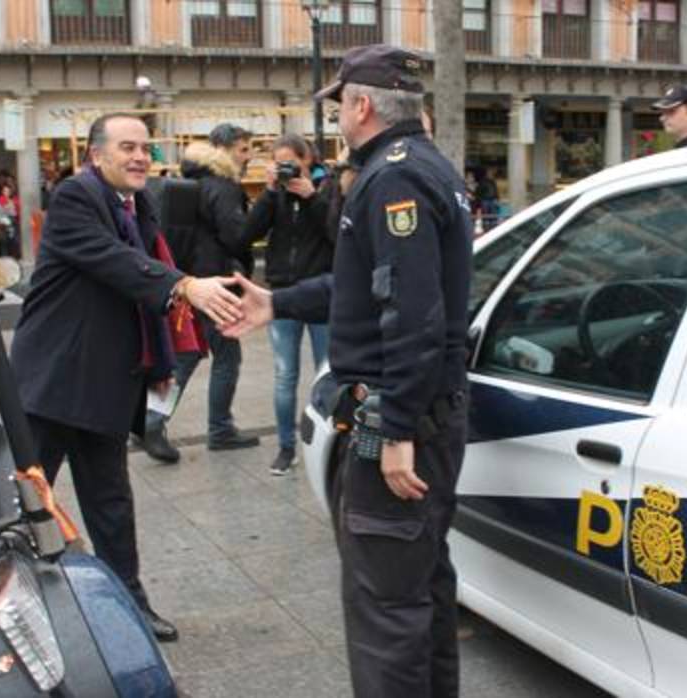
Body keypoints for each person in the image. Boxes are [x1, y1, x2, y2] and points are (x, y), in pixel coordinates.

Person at [227, 45, 472, 697]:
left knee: (386, 613)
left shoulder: (393, 177)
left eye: (339, 104)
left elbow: (414, 314)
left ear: (361, 105)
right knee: (420, 593)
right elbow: (364, 285)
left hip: (399, 421)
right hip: (420, 413)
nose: (336, 116)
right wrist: (277, 301)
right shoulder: (424, 167)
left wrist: (395, 430)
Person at [10, 112, 246, 643]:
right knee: (27, 504)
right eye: (127, 148)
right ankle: (11, 613)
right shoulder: (76, 196)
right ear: (96, 156)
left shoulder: (138, 204)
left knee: (111, 503)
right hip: (53, 379)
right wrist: (184, 285)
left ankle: (130, 607)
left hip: (107, 379)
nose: (140, 157)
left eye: (145, 148)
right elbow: (109, 259)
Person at [137, 123, 261, 462]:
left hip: (190, 278)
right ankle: (217, 429)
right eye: (244, 149)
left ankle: (152, 419)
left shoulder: (193, 180)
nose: (248, 156)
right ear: (224, 149)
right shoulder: (222, 186)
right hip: (214, 282)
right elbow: (236, 236)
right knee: (225, 356)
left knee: (189, 353)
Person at [236, 133, 333, 475]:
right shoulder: (275, 193)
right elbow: (245, 234)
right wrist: (269, 194)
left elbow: (340, 234)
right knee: (284, 375)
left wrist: (314, 198)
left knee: (328, 374)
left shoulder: (329, 186)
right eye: (278, 162)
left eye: (290, 161)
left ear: (308, 160)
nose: (285, 168)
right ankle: (285, 447)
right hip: (281, 296)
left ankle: (331, 443)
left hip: (322, 293)